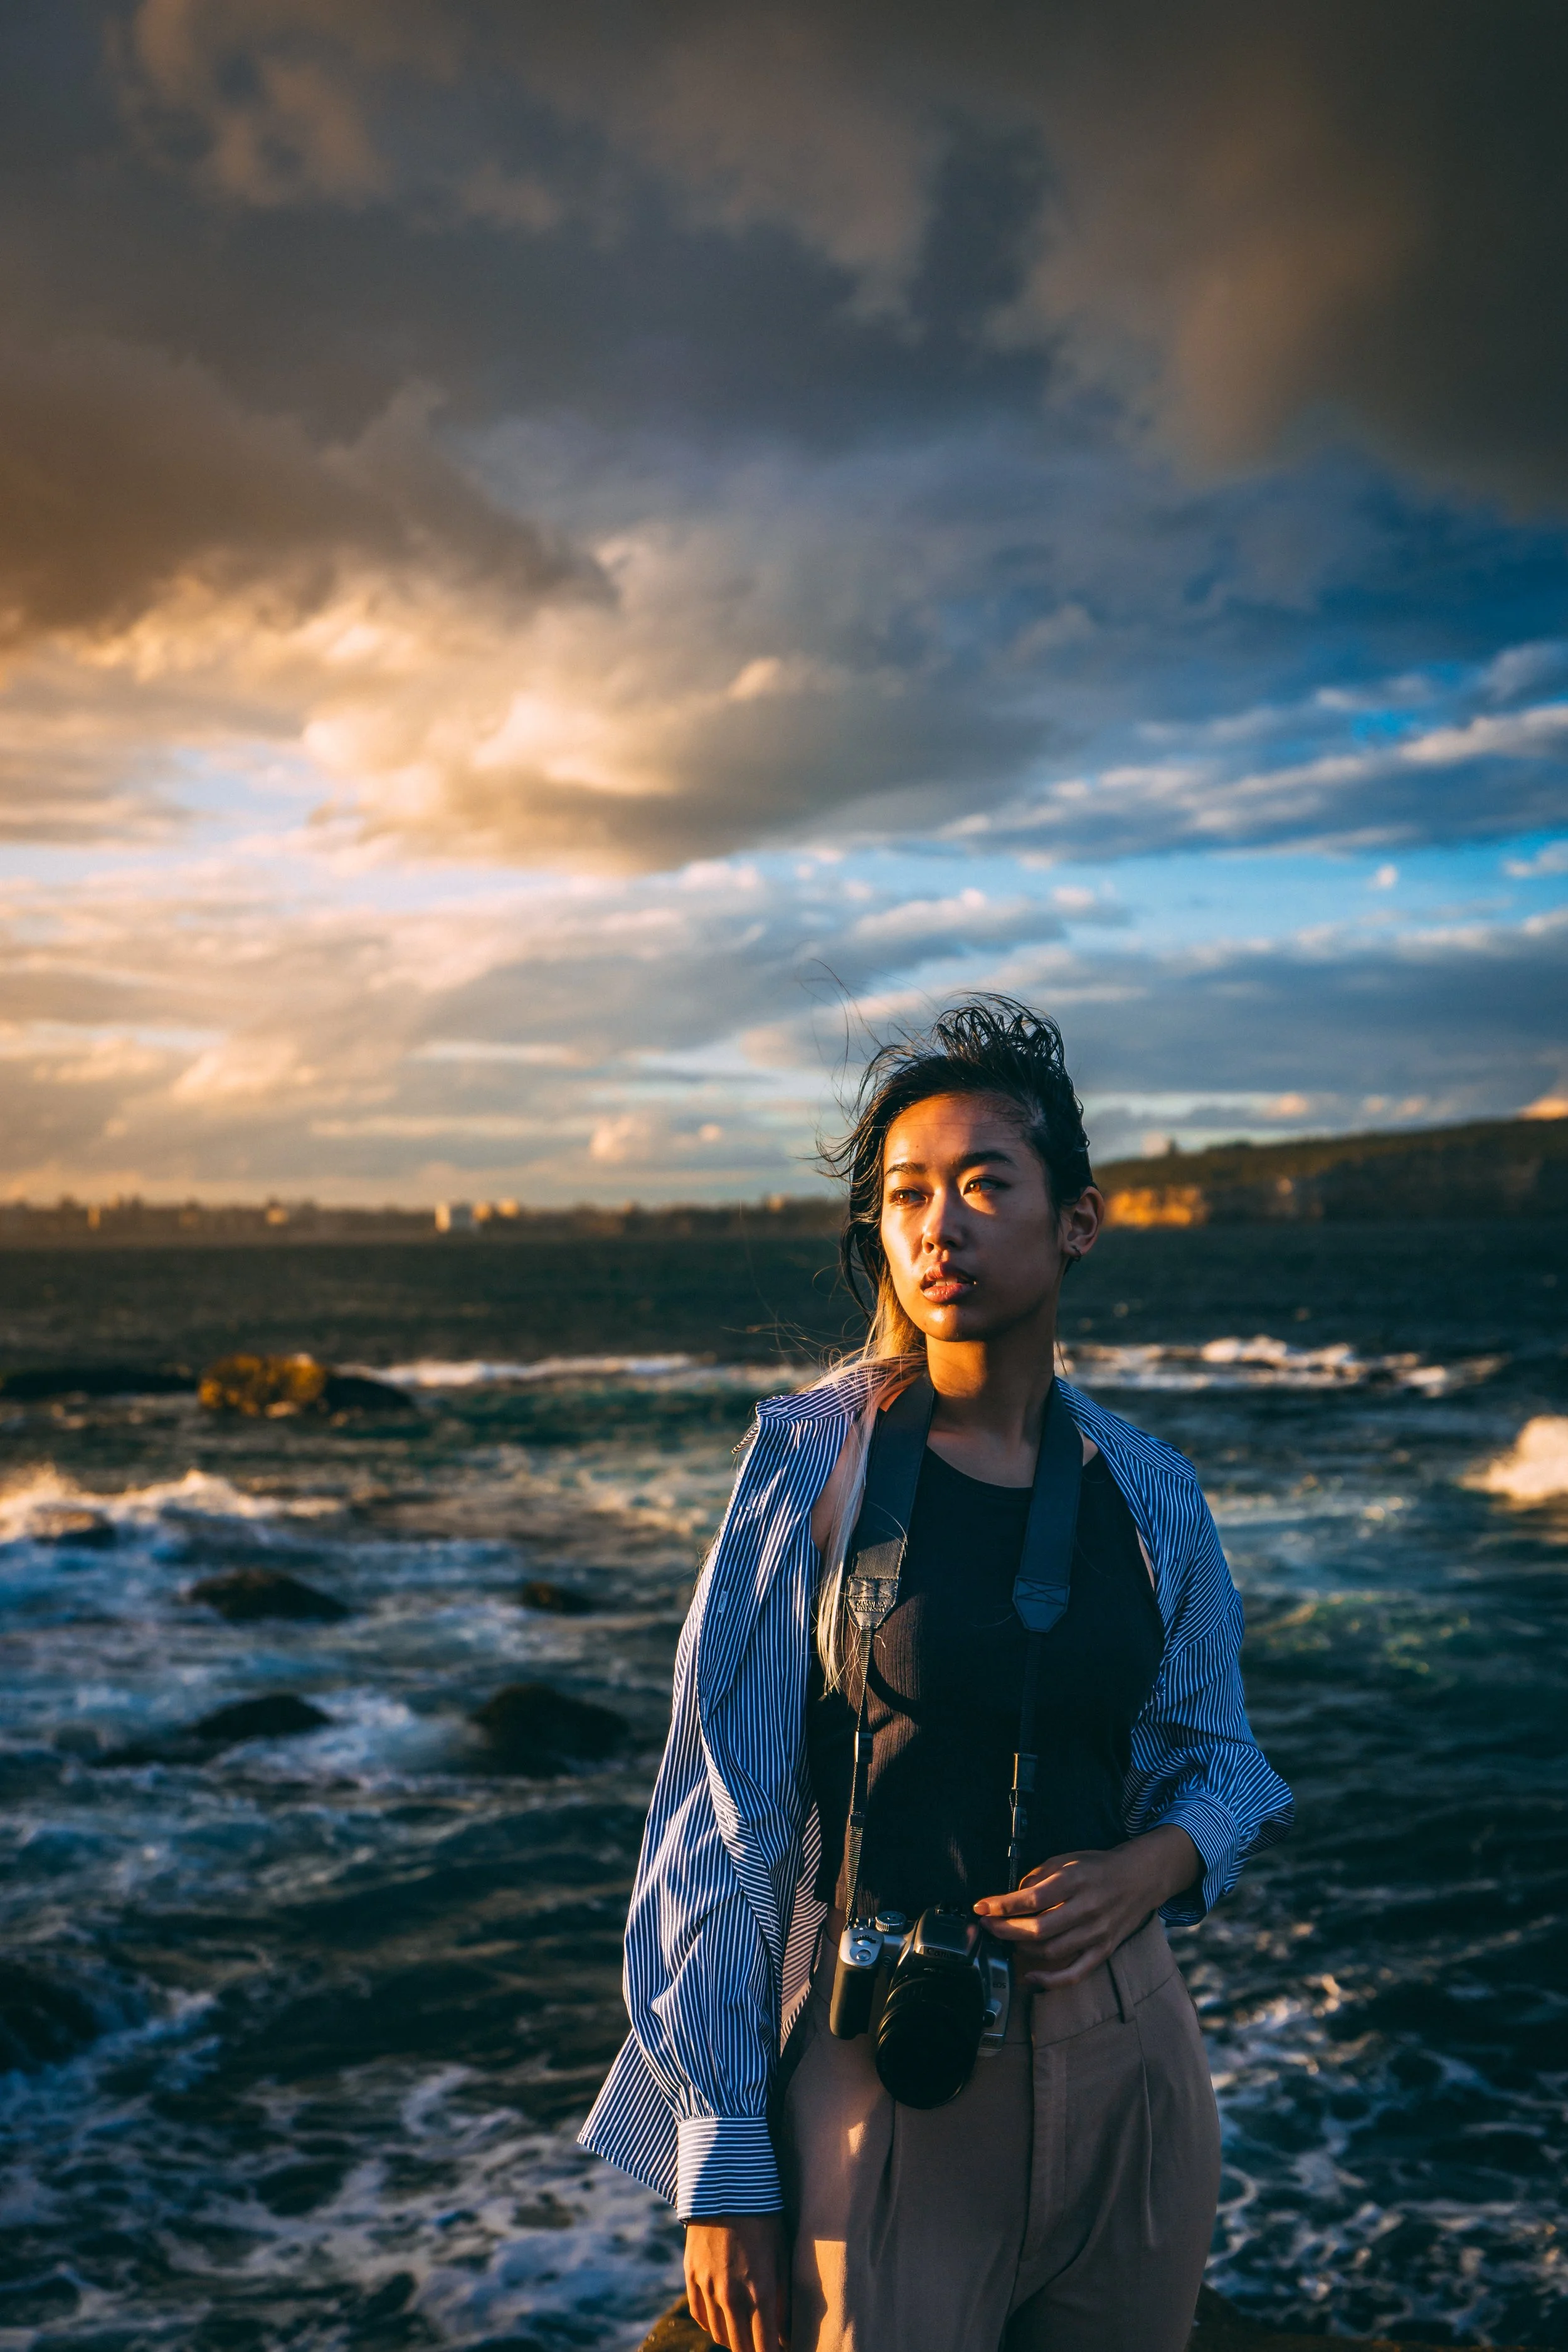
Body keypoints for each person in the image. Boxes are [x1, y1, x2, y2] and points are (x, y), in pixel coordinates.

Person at [580, 999, 1292, 2352]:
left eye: (982, 1185)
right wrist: (723, 2165)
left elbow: (1223, 1762)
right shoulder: (812, 1466)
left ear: (1074, 1220)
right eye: (907, 1194)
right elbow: (721, 1812)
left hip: (1129, 2052)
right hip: (887, 2057)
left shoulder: (1150, 1493)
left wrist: (1151, 1868)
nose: (938, 1225)